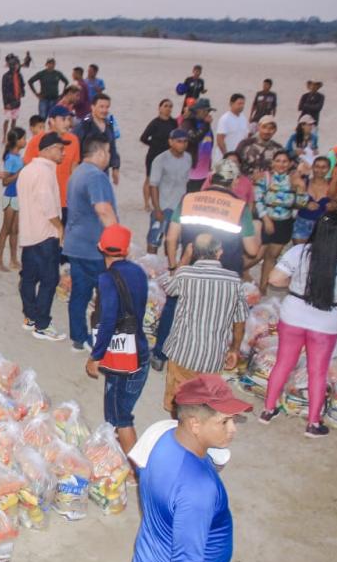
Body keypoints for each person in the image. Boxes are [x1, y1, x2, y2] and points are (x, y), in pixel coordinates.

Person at [130, 374, 250, 562]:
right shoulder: (198, 490)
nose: (233, 429)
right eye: (224, 422)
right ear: (195, 424)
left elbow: (140, 466)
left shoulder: (161, 433)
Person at [150, 161, 259, 371]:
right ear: (235, 182)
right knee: (216, 316)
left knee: (174, 306)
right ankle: (209, 359)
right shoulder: (240, 208)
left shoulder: (189, 199)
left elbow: (170, 238)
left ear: (211, 178)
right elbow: (253, 250)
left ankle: (160, 354)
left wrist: (174, 267)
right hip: (224, 273)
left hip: (190, 267)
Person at [259, 212, 337, 437]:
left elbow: (273, 279)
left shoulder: (299, 252)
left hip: (293, 313)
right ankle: (313, 423)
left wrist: (297, 284)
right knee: (317, 372)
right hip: (326, 321)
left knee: (283, 362)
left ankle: (268, 410)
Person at [159, 234, 247, 413]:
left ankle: (179, 431)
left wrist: (184, 259)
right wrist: (235, 349)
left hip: (183, 352)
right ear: (219, 252)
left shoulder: (185, 274)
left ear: (194, 251)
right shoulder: (234, 280)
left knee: (178, 403)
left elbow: (168, 287)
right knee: (202, 404)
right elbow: (240, 320)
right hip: (213, 358)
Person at [85, 224, 149, 454]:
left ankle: (135, 470)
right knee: (115, 414)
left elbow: (109, 320)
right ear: (127, 251)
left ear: (101, 248)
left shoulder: (106, 279)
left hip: (122, 359)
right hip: (140, 352)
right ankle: (114, 457)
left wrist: (96, 355)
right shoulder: (139, 272)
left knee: (121, 417)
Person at [64, 136, 119, 352]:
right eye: (107, 152)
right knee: (106, 294)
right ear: (100, 153)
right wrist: (117, 243)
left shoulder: (77, 172)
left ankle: (79, 337)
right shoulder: (96, 176)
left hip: (76, 244)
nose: (109, 156)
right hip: (94, 248)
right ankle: (99, 339)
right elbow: (103, 210)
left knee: (80, 293)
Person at [18, 132, 67, 341]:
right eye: (59, 148)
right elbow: (48, 206)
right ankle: (42, 324)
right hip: (45, 234)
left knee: (28, 278)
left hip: (29, 233)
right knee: (49, 279)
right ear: (47, 150)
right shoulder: (45, 172)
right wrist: (60, 227)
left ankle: (30, 317)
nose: (63, 152)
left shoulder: (28, 170)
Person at [254, 150, 309, 293]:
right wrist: (266, 219)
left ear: (290, 163)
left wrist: (301, 188)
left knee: (272, 256)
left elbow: (301, 205)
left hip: (284, 223)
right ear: (272, 163)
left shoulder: (294, 179)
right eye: (278, 161)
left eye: (285, 161)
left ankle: (263, 286)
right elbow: (258, 200)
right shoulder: (265, 178)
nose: (281, 164)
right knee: (257, 254)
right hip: (266, 220)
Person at [23, 106, 81, 223]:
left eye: (69, 119)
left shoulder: (73, 140)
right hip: (43, 200)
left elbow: (74, 169)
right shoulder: (37, 141)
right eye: (63, 119)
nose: (67, 123)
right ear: (52, 121)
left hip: (65, 200)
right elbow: (29, 170)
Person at [147, 129, 192, 257]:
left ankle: (169, 269)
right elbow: (153, 185)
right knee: (154, 240)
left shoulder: (188, 158)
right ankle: (151, 267)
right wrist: (157, 209)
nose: (182, 144)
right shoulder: (160, 160)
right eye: (179, 141)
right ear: (170, 142)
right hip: (163, 206)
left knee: (173, 242)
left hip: (178, 208)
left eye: (185, 142)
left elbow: (186, 183)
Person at [0, 127, 25, 272]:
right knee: (6, 229)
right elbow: (5, 182)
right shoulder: (10, 158)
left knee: (15, 230)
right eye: (23, 138)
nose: (25, 141)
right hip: (11, 196)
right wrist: (20, 173)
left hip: (18, 195)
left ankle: (13, 259)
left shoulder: (17, 156)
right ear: (17, 141)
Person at [72, 93, 120, 185]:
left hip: (104, 173)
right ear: (92, 107)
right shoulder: (83, 126)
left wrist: (115, 168)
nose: (105, 110)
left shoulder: (109, 124)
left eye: (107, 107)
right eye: (101, 107)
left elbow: (113, 148)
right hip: (86, 173)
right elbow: (74, 149)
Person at [139, 99, 178, 211]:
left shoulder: (173, 123)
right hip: (154, 154)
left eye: (170, 106)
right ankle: (147, 203)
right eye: (166, 106)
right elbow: (143, 137)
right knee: (150, 179)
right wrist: (154, 145)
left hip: (168, 155)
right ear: (160, 108)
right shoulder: (155, 123)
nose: (168, 108)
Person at [293, 156, 332, 244]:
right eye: (317, 166)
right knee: (299, 254)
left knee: (319, 256)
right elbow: (292, 203)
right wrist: (306, 205)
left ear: (329, 169)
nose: (320, 170)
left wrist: (330, 208)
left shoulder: (331, 187)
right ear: (312, 167)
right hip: (302, 224)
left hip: (323, 225)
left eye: (323, 167)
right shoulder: (304, 183)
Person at [181, 98, 215, 192]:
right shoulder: (187, 123)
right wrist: (206, 125)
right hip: (191, 174)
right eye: (205, 110)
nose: (207, 113)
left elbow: (209, 145)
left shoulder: (206, 125)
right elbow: (194, 139)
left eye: (208, 111)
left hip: (205, 174)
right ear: (197, 110)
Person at [235, 115, 283, 180]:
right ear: (258, 127)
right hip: (246, 183)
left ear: (275, 130)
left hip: (270, 185)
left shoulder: (278, 148)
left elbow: (284, 168)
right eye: (264, 127)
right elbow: (233, 164)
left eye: (271, 128)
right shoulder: (245, 144)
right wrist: (250, 177)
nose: (267, 131)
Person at [214, 94, 248, 164]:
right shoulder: (225, 119)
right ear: (231, 104)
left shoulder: (243, 118)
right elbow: (220, 140)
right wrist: (227, 156)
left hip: (238, 158)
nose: (242, 106)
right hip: (224, 158)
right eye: (239, 104)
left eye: (243, 104)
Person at [0, 54, 26, 135]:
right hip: (8, 101)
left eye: (17, 64)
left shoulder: (19, 75)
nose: (17, 66)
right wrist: (6, 103)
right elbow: (4, 90)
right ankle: (4, 136)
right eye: (15, 64)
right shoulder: (6, 76)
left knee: (14, 119)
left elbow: (22, 85)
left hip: (17, 100)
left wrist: (22, 93)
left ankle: (11, 134)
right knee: (7, 119)